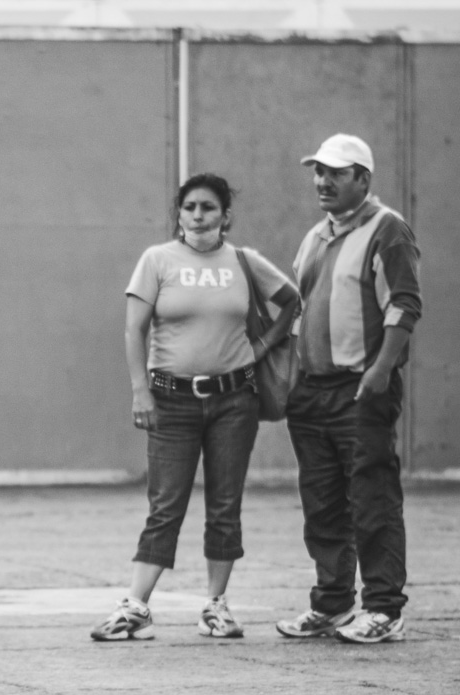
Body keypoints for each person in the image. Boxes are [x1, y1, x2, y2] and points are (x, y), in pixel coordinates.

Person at [92, 173, 300, 642]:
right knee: (166, 504)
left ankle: (215, 606)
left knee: (225, 505)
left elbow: (292, 301)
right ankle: (136, 606)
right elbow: (133, 330)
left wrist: (263, 345)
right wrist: (140, 390)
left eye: (209, 207)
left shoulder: (243, 261)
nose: (199, 215)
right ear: (179, 214)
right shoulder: (157, 260)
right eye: (190, 207)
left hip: (235, 400)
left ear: (226, 215)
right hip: (170, 400)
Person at [277, 135, 422, 644]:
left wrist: (380, 371)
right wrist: (291, 378)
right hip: (312, 392)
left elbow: (404, 304)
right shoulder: (316, 236)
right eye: (318, 171)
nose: (323, 181)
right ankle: (333, 602)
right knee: (322, 503)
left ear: (364, 178)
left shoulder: (388, 230)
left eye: (336, 173)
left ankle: (384, 608)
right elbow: (301, 310)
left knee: (371, 498)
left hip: (360, 389)